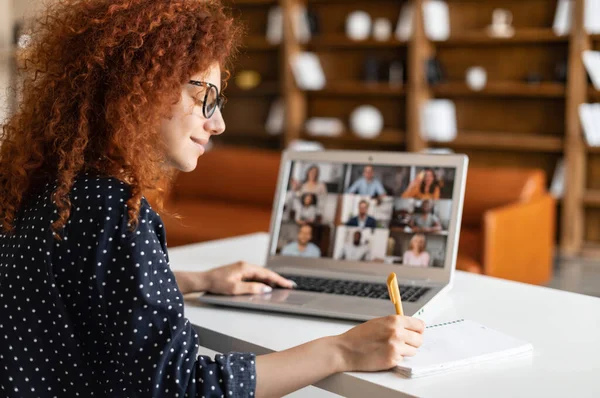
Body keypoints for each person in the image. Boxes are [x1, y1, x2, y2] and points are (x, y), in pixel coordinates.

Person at [0, 1, 425, 397]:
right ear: (140, 87)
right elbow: (179, 386)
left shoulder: (47, 184)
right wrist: (342, 350)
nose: (217, 123)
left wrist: (197, 281)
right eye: (203, 97)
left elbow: (81, 289)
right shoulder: (111, 207)